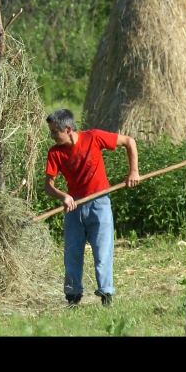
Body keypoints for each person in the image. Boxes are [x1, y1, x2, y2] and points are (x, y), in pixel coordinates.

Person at [45, 109, 139, 308]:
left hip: (100, 203)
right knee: (72, 252)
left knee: (102, 252)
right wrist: (64, 196)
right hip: (74, 206)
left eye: (55, 132)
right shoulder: (55, 153)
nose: (52, 136)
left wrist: (133, 172)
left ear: (68, 129)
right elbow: (49, 186)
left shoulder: (94, 138)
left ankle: (106, 295)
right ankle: (73, 297)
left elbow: (129, 141)